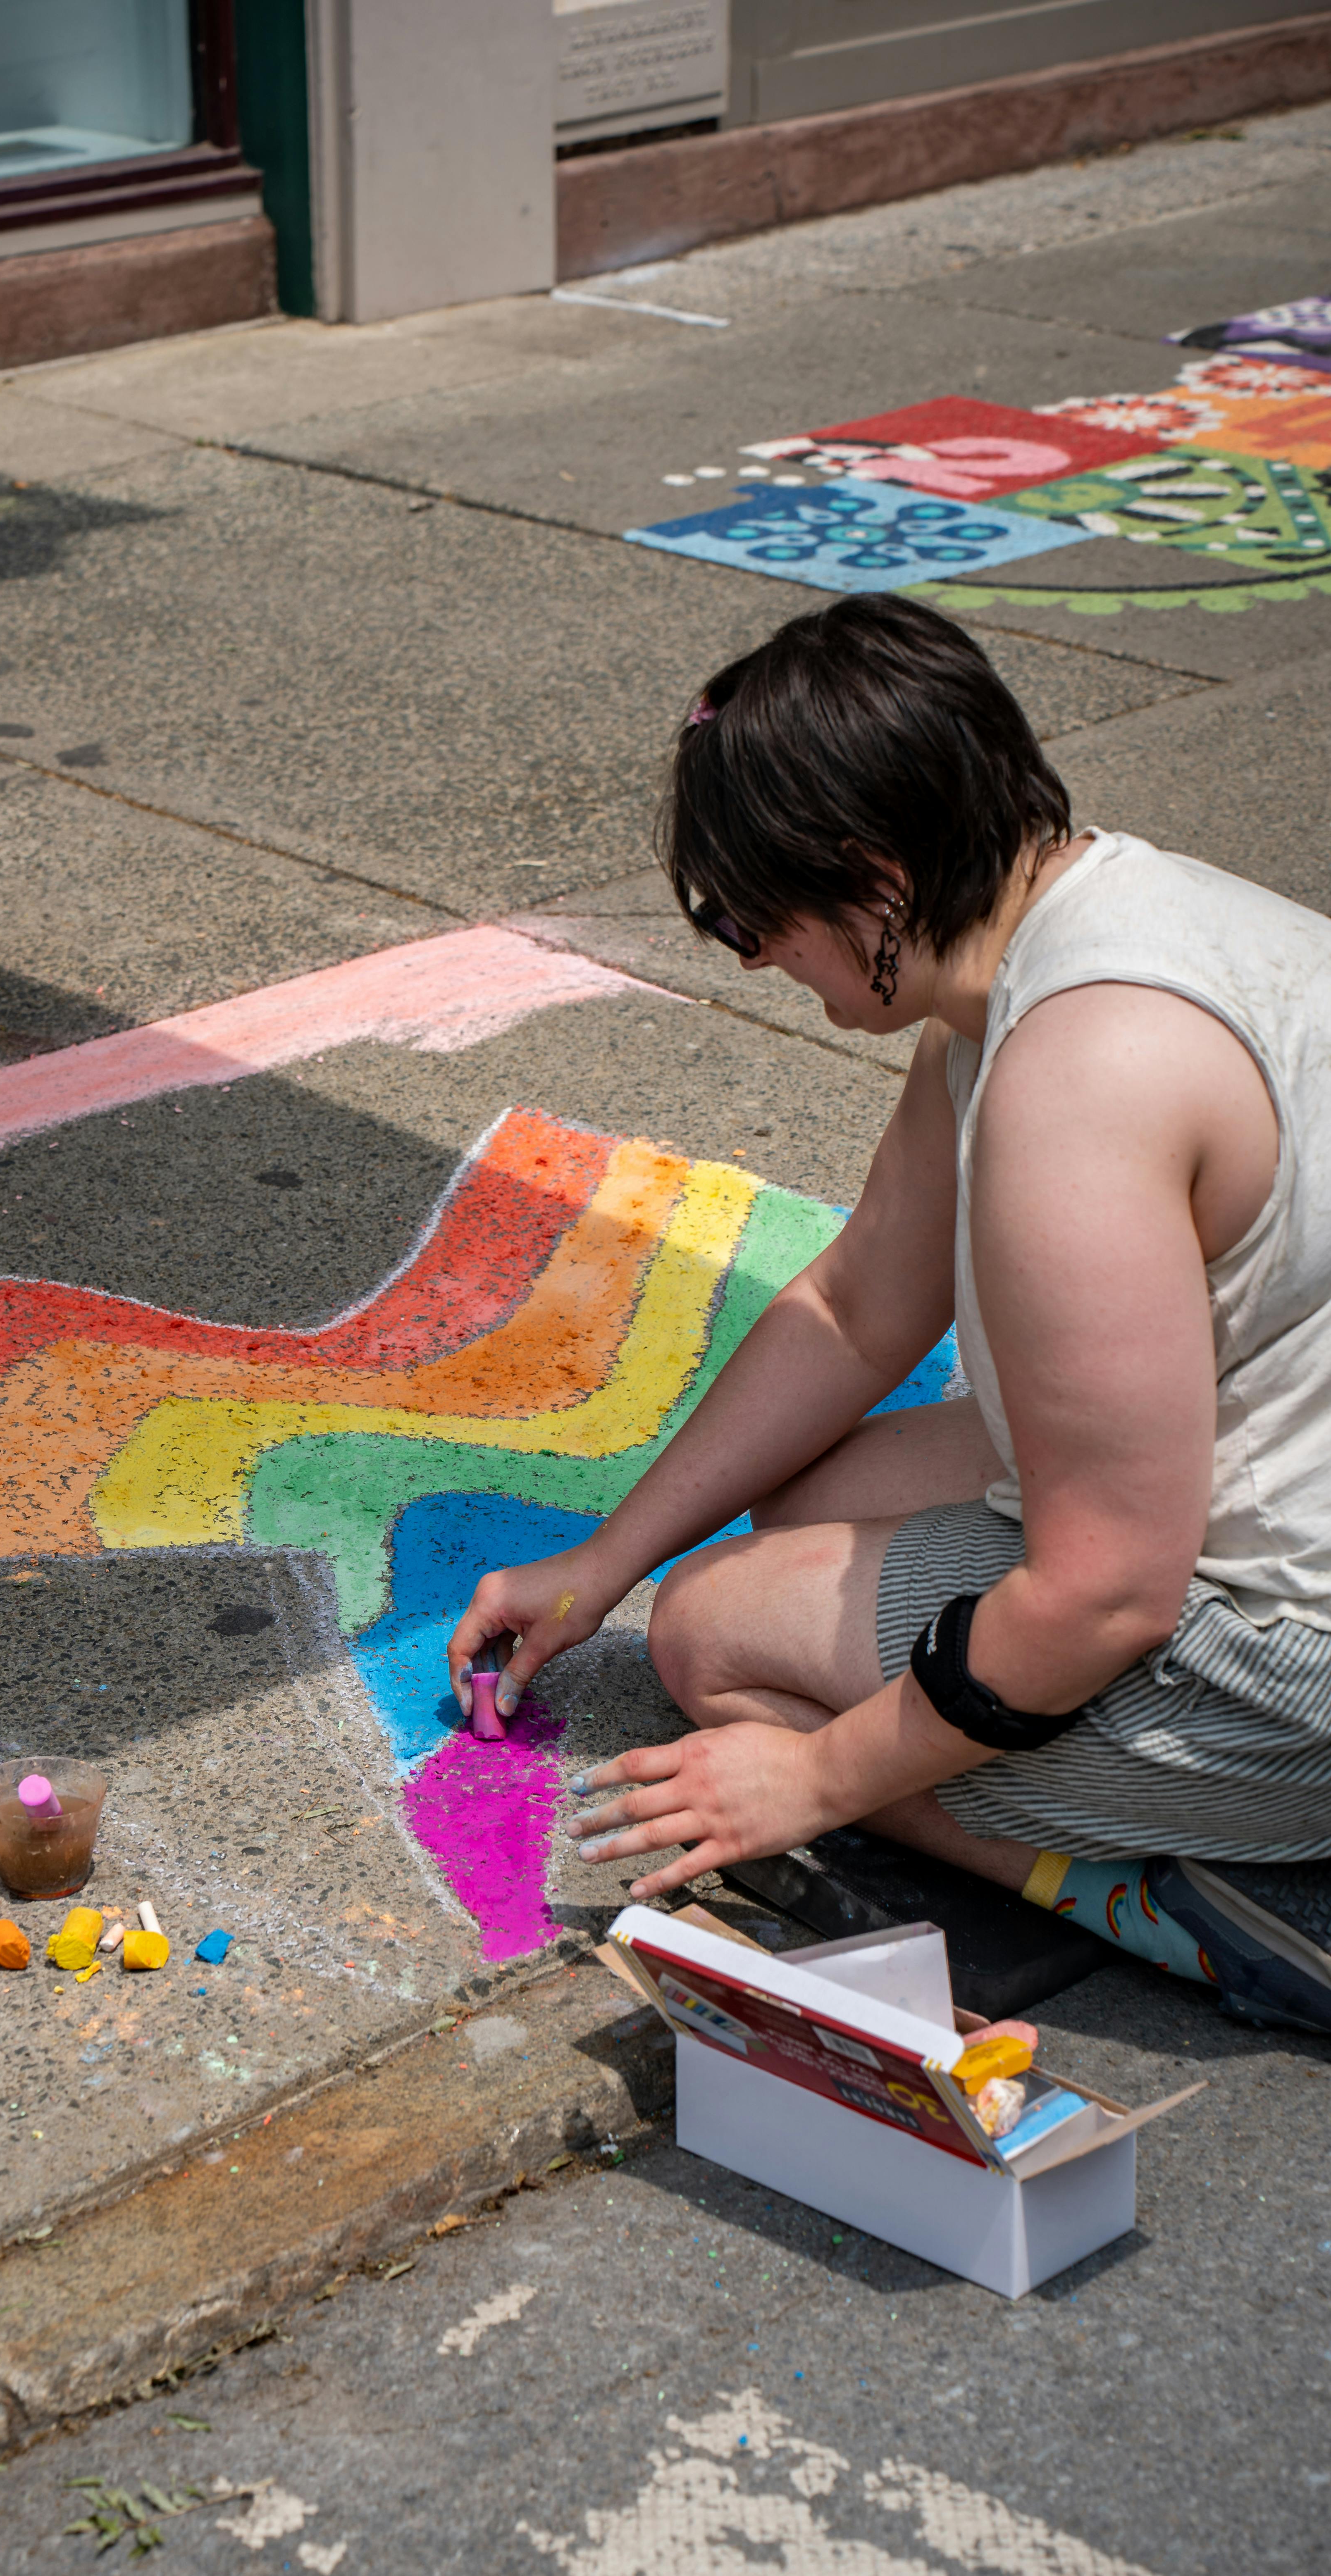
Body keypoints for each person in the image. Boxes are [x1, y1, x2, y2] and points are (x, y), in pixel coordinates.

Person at [445, 592, 1331, 2029]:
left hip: (1299, 1677)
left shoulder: (1080, 1082)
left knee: (714, 1638)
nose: (748, 958)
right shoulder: (1086, 937)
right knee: (804, 1500)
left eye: (749, 917)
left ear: (872, 876)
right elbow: (861, 1304)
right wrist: (601, 1559)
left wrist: (814, 1776)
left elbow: (1109, 1591)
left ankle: (1180, 1896)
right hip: (1282, 1476)